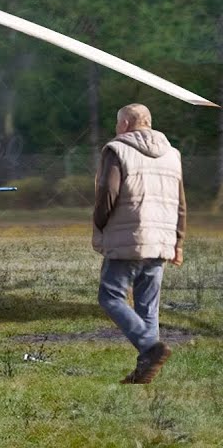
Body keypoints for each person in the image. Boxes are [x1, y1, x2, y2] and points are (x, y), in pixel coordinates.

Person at [93, 103, 186, 384]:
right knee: (148, 307)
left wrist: (100, 221)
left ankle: (149, 347)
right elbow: (181, 202)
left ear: (124, 124)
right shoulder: (172, 154)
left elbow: (108, 191)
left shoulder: (117, 149)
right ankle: (146, 368)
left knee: (110, 296)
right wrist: (178, 242)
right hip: (161, 240)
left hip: (129, 238)